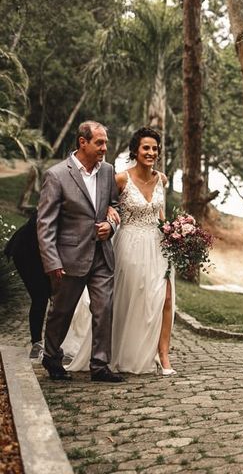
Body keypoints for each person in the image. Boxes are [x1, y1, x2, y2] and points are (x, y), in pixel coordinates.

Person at [67, 126, 176, 375]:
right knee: (129, 298)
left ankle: (163, 355)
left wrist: (176, 232)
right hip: (129, 244)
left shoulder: (162, 179)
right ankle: (118, 351)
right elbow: (101, 203)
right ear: (135, 152)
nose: (151, 152)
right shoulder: (120, 178)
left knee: (164, 298)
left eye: (155, 149)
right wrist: (108, 213)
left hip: (158, 246)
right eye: (146, 148)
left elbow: (161, 214)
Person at [37, 120, 124, 382]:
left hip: (101, 255)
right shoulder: (57, 175)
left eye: (105, 142)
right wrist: (52, 261)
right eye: (99, 142)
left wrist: (110, 225)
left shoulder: (108, 171)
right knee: (61, 312)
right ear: (82, 142)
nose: (104, 148)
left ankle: (99, 365)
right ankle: (52, 357)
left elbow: (114, 206)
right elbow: (45, 224)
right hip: (69, 257)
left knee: (104, 309)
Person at [3, 212, 50, 359]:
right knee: (40, 296)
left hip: (42, 250)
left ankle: (50, 344)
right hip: (26, 251)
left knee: (50, 295)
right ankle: (37, 343)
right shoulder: (53, 203)